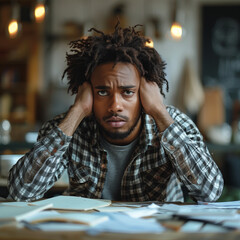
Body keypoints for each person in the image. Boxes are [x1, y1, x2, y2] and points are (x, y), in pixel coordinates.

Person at [8, 22, 223, 202]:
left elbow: (210, 192)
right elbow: (20, 192)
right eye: (102, 92)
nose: (115, 105)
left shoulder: (173, 123)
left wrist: (159, 111)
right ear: (87, 92)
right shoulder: (68, 127)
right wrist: (76, 112)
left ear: (145, 93)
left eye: (128, 92)